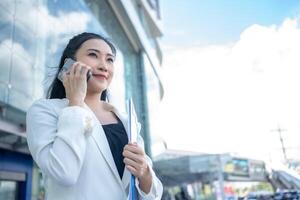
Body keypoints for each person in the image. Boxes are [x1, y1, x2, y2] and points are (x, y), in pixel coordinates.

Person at [26, 32, 163, 200]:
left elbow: (154, 194)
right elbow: (64, 172)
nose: (104, 66)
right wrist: (75, 102)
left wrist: (145, 173)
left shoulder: (128, 121)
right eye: (93, 55)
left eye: (109, 59)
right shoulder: (45, 111)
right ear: (69, 64)